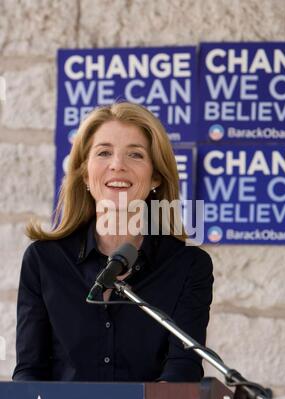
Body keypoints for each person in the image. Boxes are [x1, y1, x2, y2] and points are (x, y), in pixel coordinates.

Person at [13, 101, 213, 382]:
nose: (117, 165)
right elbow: (30, 371)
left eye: (135, 155)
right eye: (104, 152)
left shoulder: (188, 265)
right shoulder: (43, 261)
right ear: (84, 172)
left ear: (155, 176)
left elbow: (183, 370)